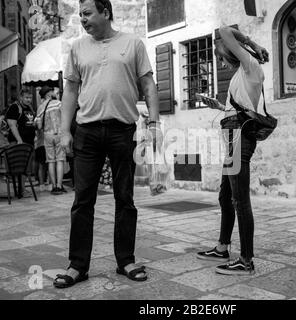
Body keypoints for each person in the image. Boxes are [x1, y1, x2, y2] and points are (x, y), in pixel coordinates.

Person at [53, 0, 161, 288]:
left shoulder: (133, 43)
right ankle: (78, 265)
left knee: (125, 198)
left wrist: (154, 124)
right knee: (82, 201)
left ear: (106, 12)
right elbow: (71, 90)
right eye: (81, 15)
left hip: (122, 131)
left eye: (87, 13)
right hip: (86, 132)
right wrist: (65, 130)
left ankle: (125, 259)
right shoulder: (77, 47)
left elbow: (148, 84)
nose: (83, 19)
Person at [196, 26, 269, 275]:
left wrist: (252, 44)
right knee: (224, 197)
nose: (220, 63)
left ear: (231, 53)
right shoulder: (241, 73)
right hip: (232, 137)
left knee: (240, 200)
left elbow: (224, 30)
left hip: (239, 140)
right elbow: (238, 108)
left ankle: (246, 260)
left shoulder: (249, 64)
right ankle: (222, 247)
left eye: (220, 58)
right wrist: (218, 105)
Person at [35, 86, 67, 195]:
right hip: (59, 133)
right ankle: (59, 185)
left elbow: (38, 126)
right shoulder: (58, 103)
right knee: (60, 160)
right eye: (53, 91)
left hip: (47, 135)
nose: (54, 93)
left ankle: (53, 186)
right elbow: (66, 117)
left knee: (51, 161)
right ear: (49, 94)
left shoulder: (40, 107)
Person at [5, 88, 36, 198]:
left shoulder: (29, 108)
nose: (29, 100)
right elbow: (12, 124)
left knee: (26, 167)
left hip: (29, 142)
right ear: (21, 97)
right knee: (17, 166)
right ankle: (19, 190)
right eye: (27, 97)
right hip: (18, 142)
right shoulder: (15, 107)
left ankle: (22, 189)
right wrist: (19, 140)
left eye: (30, 98)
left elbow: (30, 123)